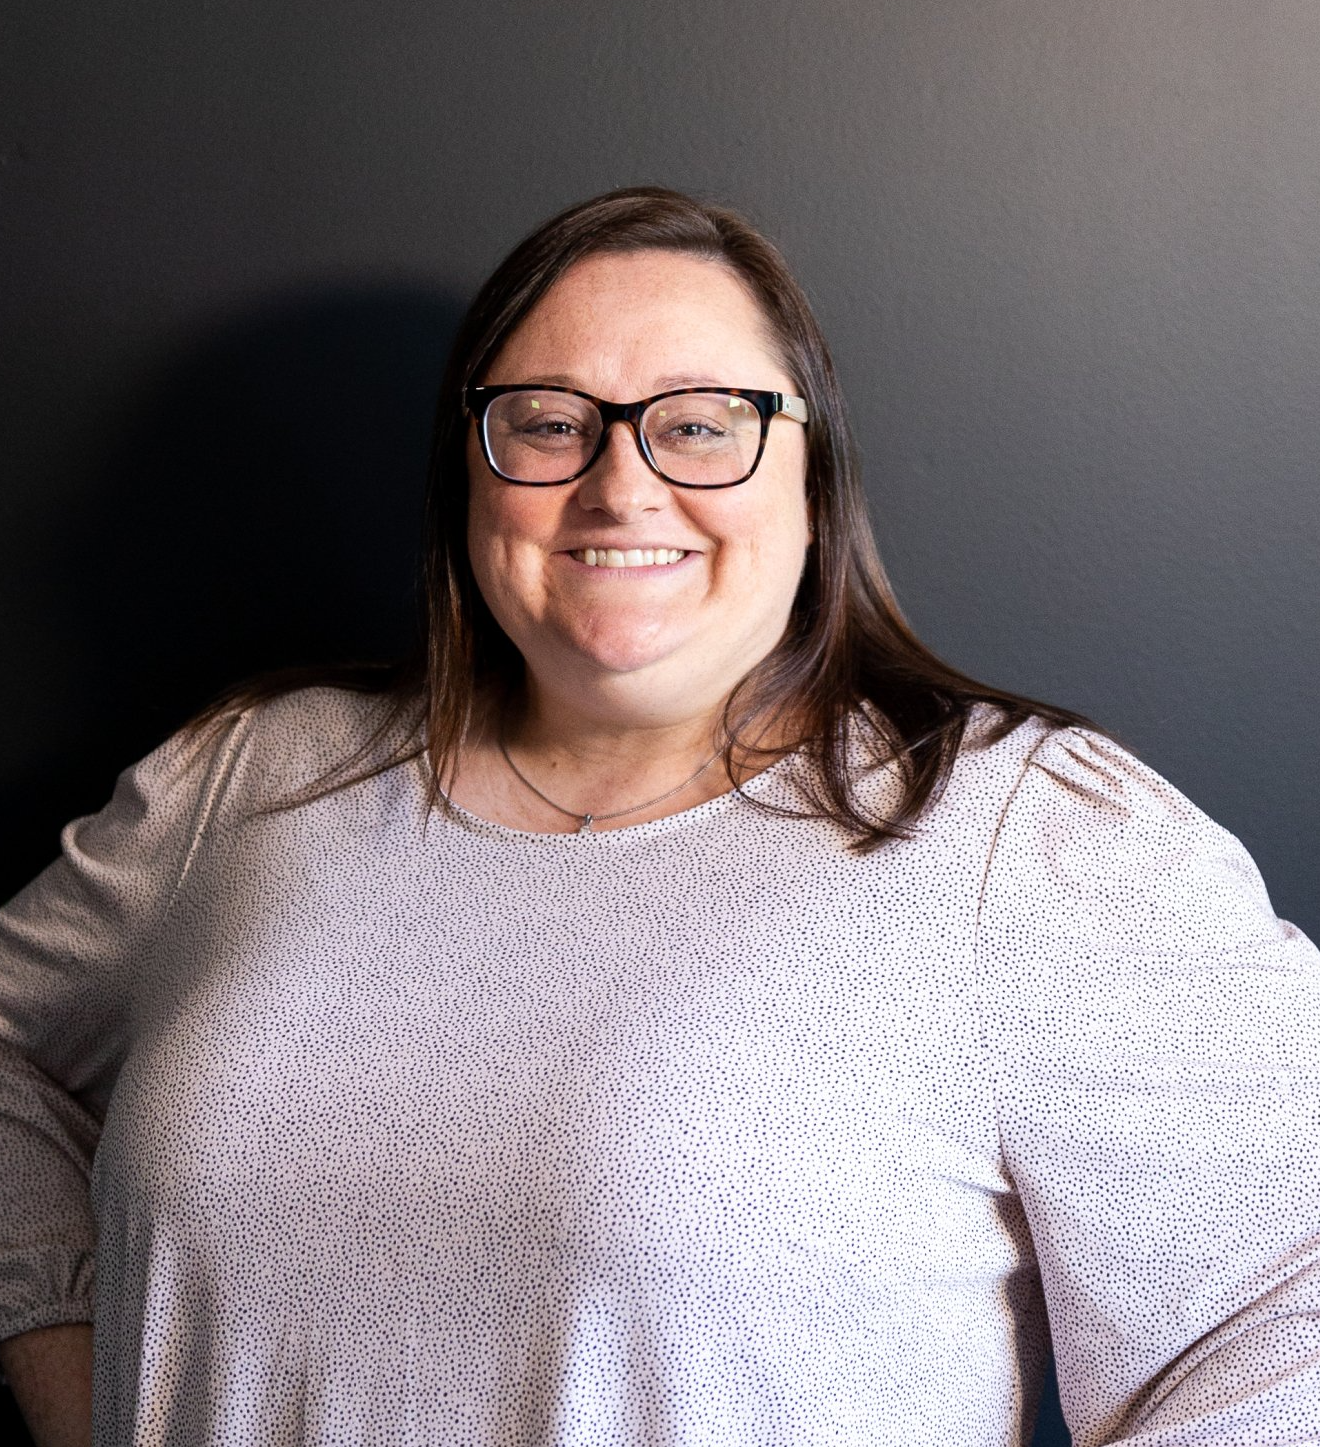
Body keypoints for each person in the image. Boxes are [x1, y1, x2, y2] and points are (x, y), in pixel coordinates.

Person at [1, 186, 1316, 1447]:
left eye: (700, 423)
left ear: (814, 481)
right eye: (550, 419)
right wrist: (79, 1366)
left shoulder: (1021, 844)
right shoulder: (252, 786)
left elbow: (1290, 1323)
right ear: (471, 471)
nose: (620, 486)